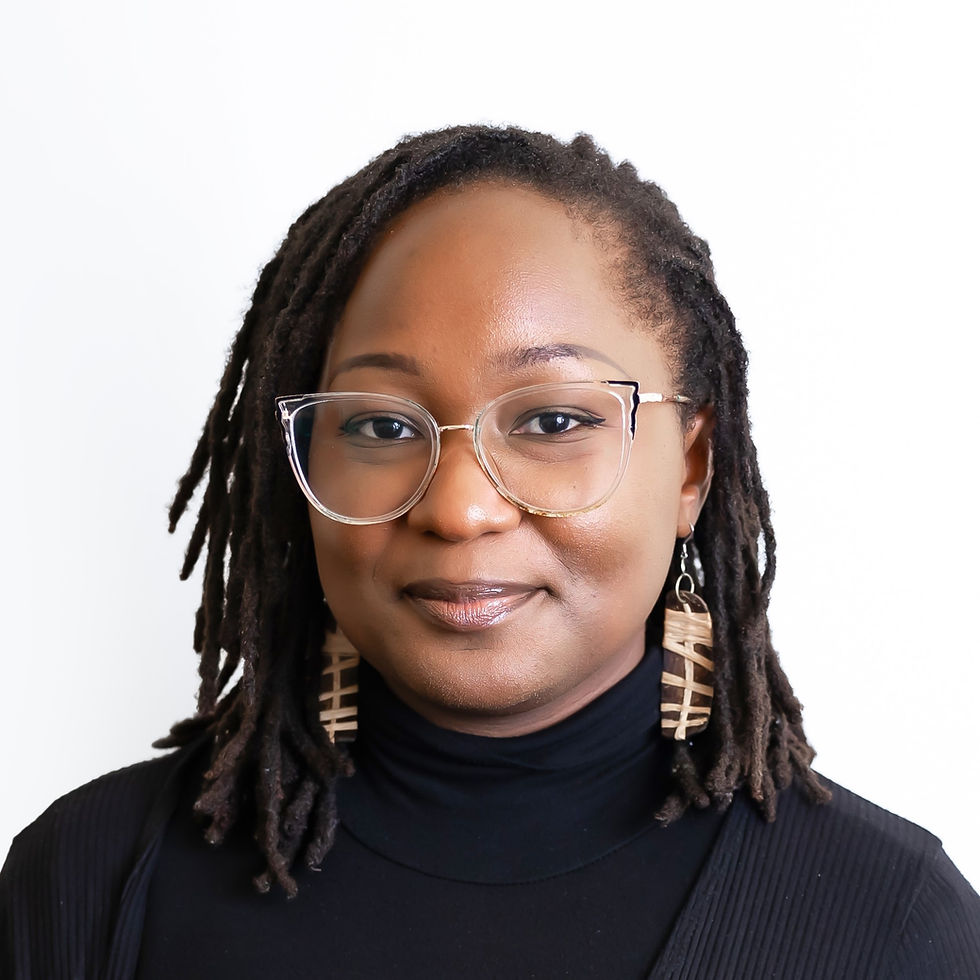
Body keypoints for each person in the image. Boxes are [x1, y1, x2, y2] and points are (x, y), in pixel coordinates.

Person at [2, 125, 978, 979]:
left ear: (689, 465)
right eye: (381, 427)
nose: (460, 508)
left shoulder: (887, 926)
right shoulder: (92, 881)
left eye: (552, 418)